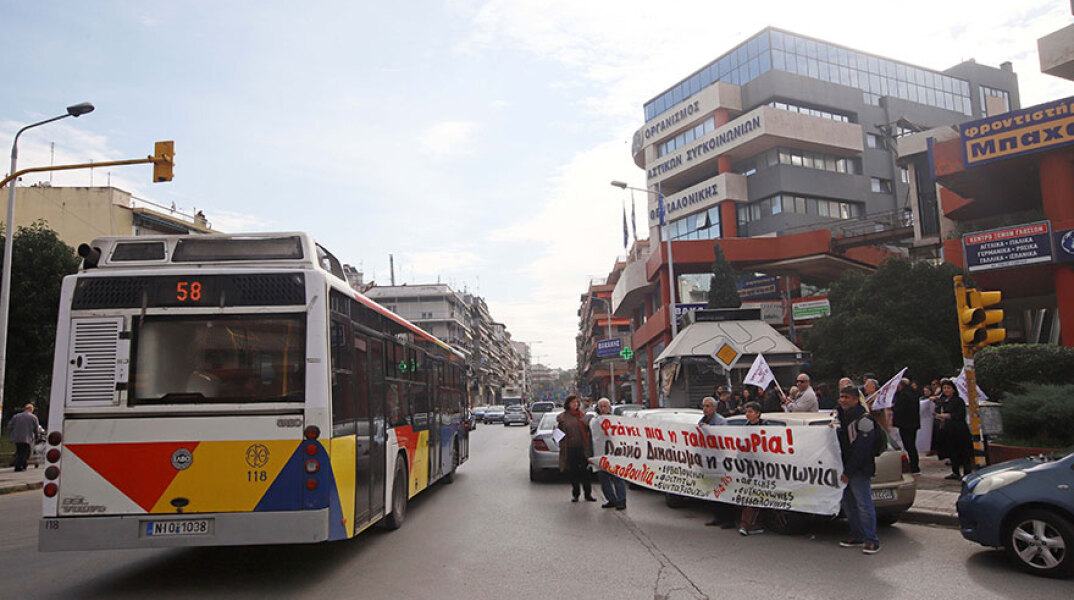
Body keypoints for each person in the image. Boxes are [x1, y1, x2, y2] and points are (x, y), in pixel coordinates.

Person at [835, 385, 881, 554]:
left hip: (859, 470)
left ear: (856, 399)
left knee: (864, 505)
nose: (844, 400)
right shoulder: (841, 417)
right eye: (842, 397)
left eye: (847, 397)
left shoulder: (864, 419)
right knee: (850, 505)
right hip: (845, 469)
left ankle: (871, 540)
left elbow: (862, 450)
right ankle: (856, 535)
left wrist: (849, 471)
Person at [699, 397, 736, 528]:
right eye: (704, 406)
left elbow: (724, 439)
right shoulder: (701, 421)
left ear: (714, 408)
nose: (705, 408)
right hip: (708, 461)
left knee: (724, 491)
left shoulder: (721, 422)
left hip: (720, 461)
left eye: (708, 406)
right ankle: (717, 517)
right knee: (713, 491)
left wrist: (709, 429)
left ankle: (729, 520)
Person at [738, 402, 769, 535]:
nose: (747, 414)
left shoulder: (766, 428)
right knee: (750, 495)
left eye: (750, 411)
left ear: (758, 413)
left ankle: (751, 525)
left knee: (758, 496)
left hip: (764, 467)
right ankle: (748, 524)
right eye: (746, 411)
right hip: (749, 467)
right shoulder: (745, 428)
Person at [557, 394, 596, 502]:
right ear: (568, 404)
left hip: (583, 447)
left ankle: (588, 494)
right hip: (570, 448)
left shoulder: (582, 415)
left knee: (585, 472)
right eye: (573, 402)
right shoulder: (563, 418)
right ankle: (576, 494)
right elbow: (559, 434)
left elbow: (590, 430)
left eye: (577, 402)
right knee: (573, 472)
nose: (575, 404)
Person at [934, 379, 973, 480]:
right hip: (948, 430)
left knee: (963, 452)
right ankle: (955, 472)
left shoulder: (958, 401)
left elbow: (960, 415)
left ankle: (967, 472)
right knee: (952, 452)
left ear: (953, 390)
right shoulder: (943, 401)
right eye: (944, 388)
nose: (946, 390)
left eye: (948, 388)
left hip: (959, 430)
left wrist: (947, 416)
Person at [592, 398, 626, 510]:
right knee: (604, 479)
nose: (602, 408)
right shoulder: (595, 421)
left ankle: (621, 501)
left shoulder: (616, 420)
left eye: (605, 406)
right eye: (600, 406)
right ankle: (611, 499)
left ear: (609, 407)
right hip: (601, 454)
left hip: (615, 455)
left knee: (618, 478)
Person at [892, 377, 921, 473]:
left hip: (905, 424)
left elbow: (900, 409)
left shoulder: (903, 395)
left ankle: (914, 466)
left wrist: (893, 407)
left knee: (909, 445)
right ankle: (914, 464)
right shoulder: (912, 394)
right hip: (913, 423)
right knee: (911, 445)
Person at [8, 404, 41, 472]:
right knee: (25, 452)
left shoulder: (16, 416)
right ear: (31, 409)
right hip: (27, 438)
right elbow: (36, 428)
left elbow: (10, 426)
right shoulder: (33, 417)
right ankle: (19, 466)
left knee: (19, 451)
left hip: (17, 437)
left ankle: (23, 465)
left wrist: (13, 433)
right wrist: (37, 436)